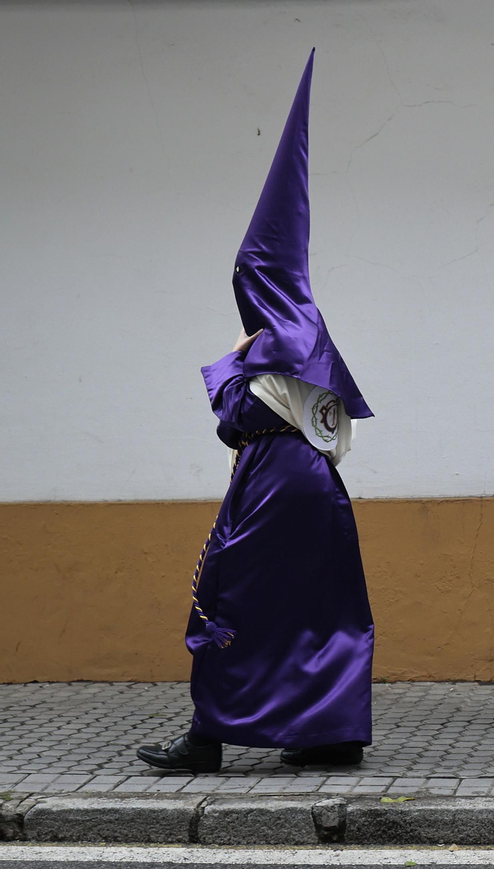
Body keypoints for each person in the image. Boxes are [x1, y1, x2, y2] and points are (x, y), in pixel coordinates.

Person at [136, 51, 377, 772]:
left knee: (230, 595)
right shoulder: (313, 334)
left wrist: (227, 360)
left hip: (272, 481)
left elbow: (235, 415)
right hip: (318, 485)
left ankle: (207, 736)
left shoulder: (272, 340)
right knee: (319, 605)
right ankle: (329, 731)